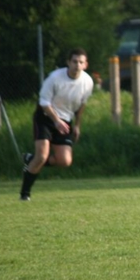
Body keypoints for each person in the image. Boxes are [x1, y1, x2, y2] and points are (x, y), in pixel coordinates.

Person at [20, 48, 94, 201]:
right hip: (45, 117)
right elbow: (44, 103)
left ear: (86, 65)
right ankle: (25, 194)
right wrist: (56, 120)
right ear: (68, 62)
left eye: (81, 62)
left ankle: (30, 159)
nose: (77, 65)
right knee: (42, 156)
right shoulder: (55, 78)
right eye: (74, 61)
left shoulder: (87, 82)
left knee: (65, 161)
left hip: (65, 120)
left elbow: (82, 105)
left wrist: (77, 125)